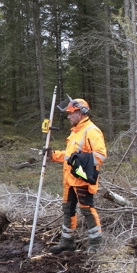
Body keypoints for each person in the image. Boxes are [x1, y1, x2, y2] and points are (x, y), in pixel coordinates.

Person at [46, 98, 107, 254]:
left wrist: (81, 160)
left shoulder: (91, 130)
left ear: (80, 113)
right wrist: (53, 155)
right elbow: (69, 156)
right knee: (68, 210)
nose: (68, 117)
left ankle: (96, 244)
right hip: (69, 180)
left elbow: (100, 155)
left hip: (82, 179)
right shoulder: (75, 132)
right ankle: (67, 242)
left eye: (70, 113)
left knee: (87, 209)